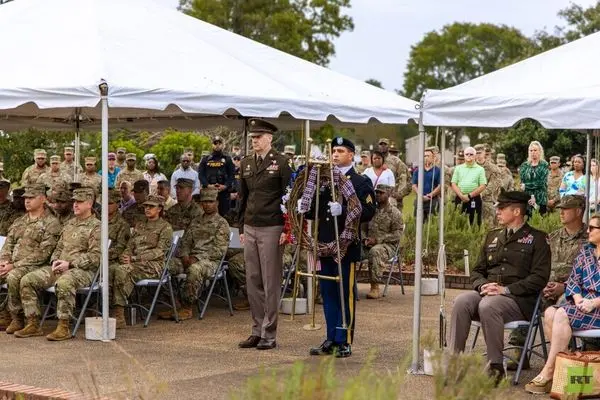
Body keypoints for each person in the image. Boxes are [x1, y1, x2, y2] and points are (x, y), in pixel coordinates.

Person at [449, 190, 551, 386]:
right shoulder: (492, 236)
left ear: (516, 211)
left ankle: (495, 367)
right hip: (490, 294)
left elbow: (539, 278)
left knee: (489, 305)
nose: (497, 211)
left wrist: (505, 290)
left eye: (501, 208)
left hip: (519, 300)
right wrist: (483, 285)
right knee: (462, 301)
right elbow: (477, 271)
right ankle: (455, 363)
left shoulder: (538, 239)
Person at [302, 136, 376, 358]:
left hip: (346, 245)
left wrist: (343, 210)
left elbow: (370, 211)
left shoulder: (360, 181)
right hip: (325, 244)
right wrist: (303, 206)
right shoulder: (324, 179)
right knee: (328, 293)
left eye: (341, 151)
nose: (335, 154)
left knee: (345, 294)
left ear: (352, 154)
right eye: (333, 150)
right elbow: (314, 209)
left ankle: (344, 340)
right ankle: (331, 337)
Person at [506, 194, 587, 370]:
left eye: (566, 209)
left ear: (579, 211)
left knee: (563, 308)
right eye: (561, 209)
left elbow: (591, 274)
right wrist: (541, 284)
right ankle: (519, 350)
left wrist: (565, 287)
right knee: (524, 298)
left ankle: (576, 355)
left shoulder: (590, 239)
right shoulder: (552, 237)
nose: (561, 212)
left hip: (574, 292)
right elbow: (538, 265)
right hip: (545, 288)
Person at [524, 213, 600, 394]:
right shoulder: (586, 251)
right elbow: (573, 281)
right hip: (583, 305)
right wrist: (578, 299)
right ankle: (564, 372)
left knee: (560, 313)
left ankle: (551, 371)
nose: (587, 231)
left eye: (592, 228)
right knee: (550, 312)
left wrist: (594, 303)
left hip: (597, 307)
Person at [15, 187, 101, 341]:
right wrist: (55, 261)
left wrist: (70, 264)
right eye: (74, 201)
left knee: (64, 282)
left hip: (82, 270)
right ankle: (33, 323)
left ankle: (64, 326)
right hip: (60, 266)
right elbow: (59, 246)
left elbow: (95, 256)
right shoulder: (70, 223)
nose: (75, 205)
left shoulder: (97, 227)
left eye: (79, 202)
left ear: (89, 204)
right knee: (28, 280)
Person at [237, 118, 292, 351]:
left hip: (272, 226)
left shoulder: (281, 163)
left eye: (258, 137)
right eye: (252, 138)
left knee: (270, 281)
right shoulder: (247, 163)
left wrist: (287, 230)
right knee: (253, 280)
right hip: (250, 225)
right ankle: (256, 330)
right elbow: (243, 196)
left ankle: (269, 333)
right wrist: (241, 227)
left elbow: (289, 198)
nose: (254, 141)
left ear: (269, 138)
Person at [160, 187, 230, 320]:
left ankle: (187, 308)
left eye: (210, 201)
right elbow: (185, 242)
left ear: (217, 203)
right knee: (165, 265)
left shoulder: (222, 224)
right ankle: (176, 304)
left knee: (194, 269)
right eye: (204, 202)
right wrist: (185, 255)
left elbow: (220, 250)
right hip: (189, 258)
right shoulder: (196, 221)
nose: (207, 205)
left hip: (210, 262)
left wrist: (197, 258)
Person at [0, 184, 61, 333]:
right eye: (26, 198)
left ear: (43, 200)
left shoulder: (51, 223)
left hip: (37, 266)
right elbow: (9, 243)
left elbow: (43, 253)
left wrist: (14, 265)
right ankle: (6, 314)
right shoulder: (20, 221)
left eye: (31, 198)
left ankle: (22, 319)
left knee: (13, 276)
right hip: (13, 264)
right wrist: (4, 261)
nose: (27, 201)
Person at [111, 195, 173, 329]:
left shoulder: (165, 227)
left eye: (151, 206)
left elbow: (160, 251)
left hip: (154, 265)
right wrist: (125, 255)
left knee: (122, 271)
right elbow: (130, 245)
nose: (147, 209)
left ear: (160, 209)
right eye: (146, 206)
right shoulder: (140, 225)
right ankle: (111, 309)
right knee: (111, 269)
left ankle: (119, 316)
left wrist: (134, 259)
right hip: (135, 263)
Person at [362, 184, 403, 299]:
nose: (378, 195)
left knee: (375, 251)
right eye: (377, 192)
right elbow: (363, 228)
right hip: (368, 244)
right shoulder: (371, 210)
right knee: (351, 249)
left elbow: (398, 234)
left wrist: (378, 240)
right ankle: (349, 285)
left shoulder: (394, 213)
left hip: (387, 246)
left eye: (381, 193)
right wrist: (365, 239)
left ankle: (374, 287)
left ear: (388, 194)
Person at [198, 136, 235, 217]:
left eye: (219, 143)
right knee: (207, 215)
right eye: (215, 143)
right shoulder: (205, 159)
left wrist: (225, 186)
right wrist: (208, 185)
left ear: (223, 145)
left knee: (224, 215)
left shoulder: (227, 159)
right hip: (209, 192)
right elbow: (201, 175)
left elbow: (232, 175)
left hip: (223, 192)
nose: (217, 145)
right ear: (212, 145)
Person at [450, 146, 487, 226]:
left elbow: (483, 185)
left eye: (471, 154)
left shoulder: (480, 169)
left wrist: (469, 195)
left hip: (474, 199)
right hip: (460, 198)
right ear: (464, 156)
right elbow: (453, 183)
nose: (469, 156)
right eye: (467, 154)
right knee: (458, 223)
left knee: (474, 223)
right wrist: (461, 196)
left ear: (475, 156)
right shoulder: (458, 168)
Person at [378, 138, 411, 207]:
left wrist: (398, 194)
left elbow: (405, 178)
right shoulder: (375, 160)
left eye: (385, 144)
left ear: (388, 146)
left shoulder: (396, 161)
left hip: (393, 200)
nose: (383, 146)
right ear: (378, 146)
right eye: (381, 144)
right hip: (378, 199)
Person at [475, 144, 503, 225]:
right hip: (472, 201)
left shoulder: (493, 168)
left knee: (488, 227)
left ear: (484, 153)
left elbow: (494, 184)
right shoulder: (471, 167)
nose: (478, 155)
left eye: (480, 153)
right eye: (476, 153)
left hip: (487, 201)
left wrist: (480, 193)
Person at [519, 141, 549, 214]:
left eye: (535, 150)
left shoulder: (544, 165)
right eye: (531, 150)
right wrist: (524, 186)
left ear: (540, 151)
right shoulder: (524, 166)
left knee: (540, 221)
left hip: (540, 198)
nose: (533, 152)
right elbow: (522, 182)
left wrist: (526, 186)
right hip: (527, 199)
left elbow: (541, 183)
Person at [411, 147, 441, 220]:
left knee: (432, 223)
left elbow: (440, 186)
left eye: (428, 156)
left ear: (433, 157)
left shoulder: (437, 170)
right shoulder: (417, 171)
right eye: (424, 156)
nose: (426, 158)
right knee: (418, 222)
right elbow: (414, 185)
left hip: (433, 201)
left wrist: (430, 195)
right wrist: (420, 195)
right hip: (419, 201)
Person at [107, 190, 131, 265]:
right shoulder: (99, 221)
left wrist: (100, 255)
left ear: (118, 204)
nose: (106, 206)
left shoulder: (123, 225)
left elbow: (120, 248)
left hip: (111, 261)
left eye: (110, 203)